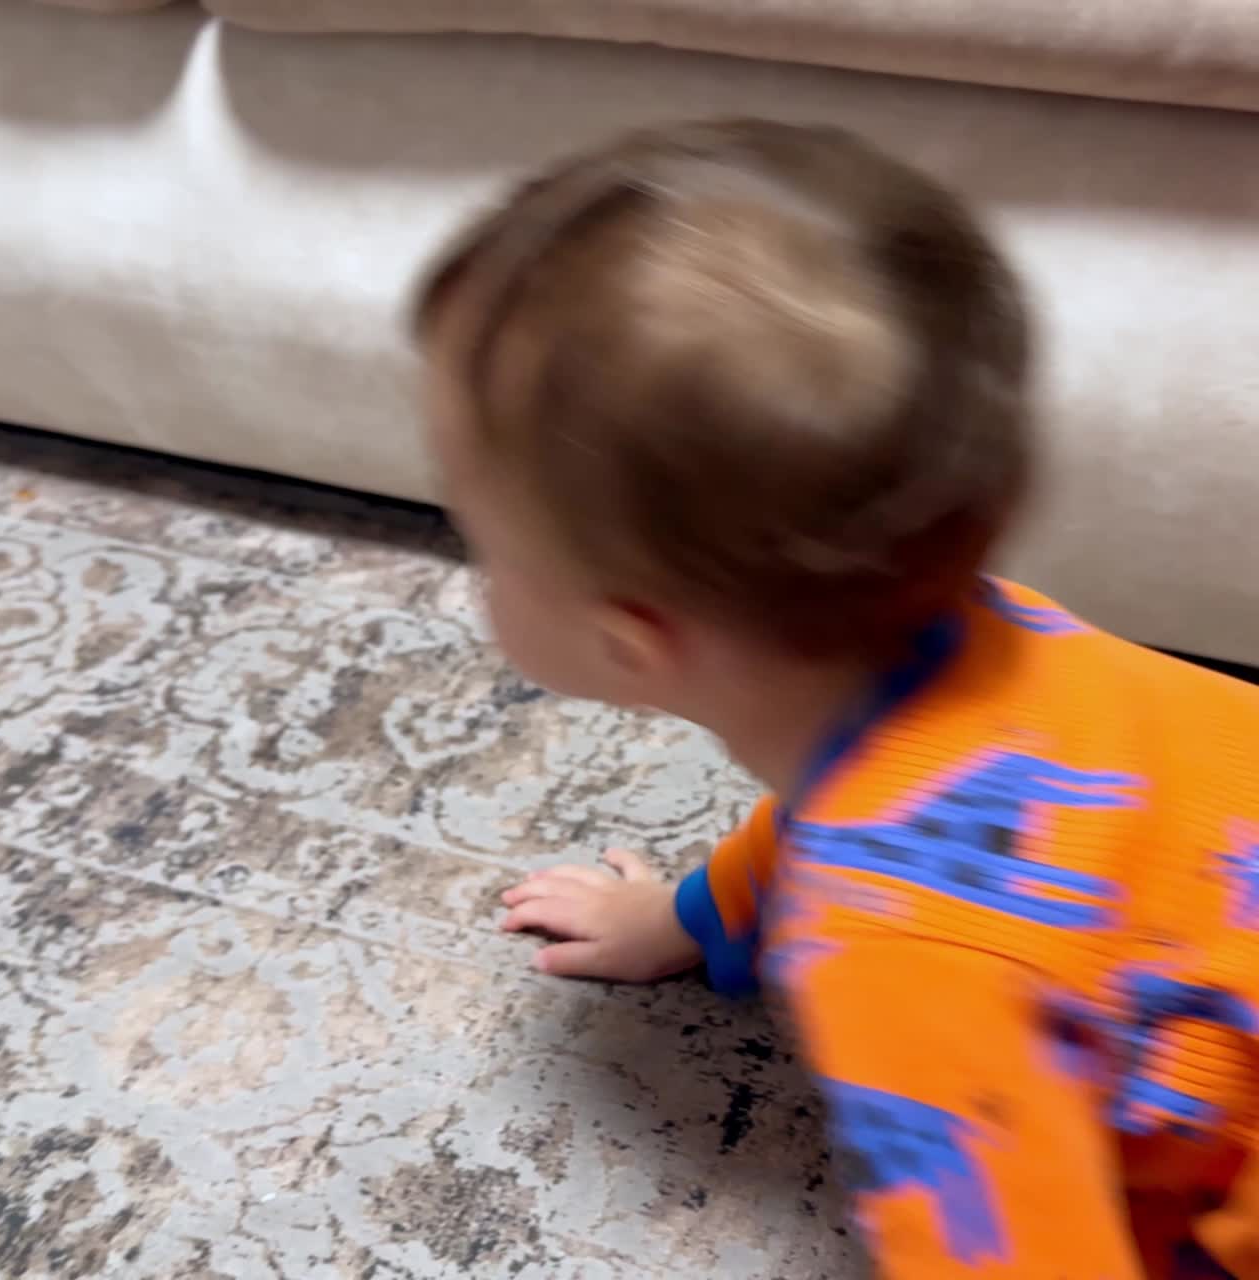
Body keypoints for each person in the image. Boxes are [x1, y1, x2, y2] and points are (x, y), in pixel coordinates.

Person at [413, 118, 1259, 1279]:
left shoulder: (896, 960)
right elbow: (833, 805)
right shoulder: (988, 636)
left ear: (633, 640)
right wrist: (688, 919)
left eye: (485, 541)